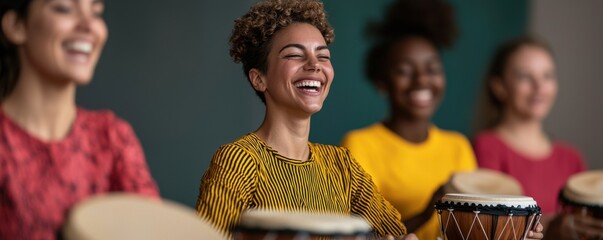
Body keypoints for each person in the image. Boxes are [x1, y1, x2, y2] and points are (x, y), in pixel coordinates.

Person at [195, 0, 417, 239]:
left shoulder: (343, 166)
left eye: (323, 56)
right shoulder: (239, 160)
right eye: (294, 55)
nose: (314, 65)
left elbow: (397, 233)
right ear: (259, 79)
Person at [0, 0, 159, 239]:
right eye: (64, 8)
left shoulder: (112, 138)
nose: (89, 26)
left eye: (96, 13)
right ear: (16, 26)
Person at [340, 1, 478, 239]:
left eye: (432, 69)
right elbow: (360, 234)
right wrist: (427, 212)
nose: (422, 80)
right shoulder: (359, 145)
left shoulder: (458, 147)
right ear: (381, 82)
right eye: (405, 71)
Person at [473, 36, 601, 239]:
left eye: (547, 76)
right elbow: (489, 227)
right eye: (525, 77)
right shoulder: (486, 147)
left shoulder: (572, 157)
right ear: (499, 87)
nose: (539, 86)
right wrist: (551, 228)